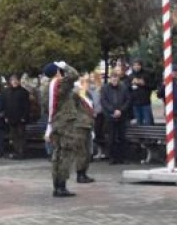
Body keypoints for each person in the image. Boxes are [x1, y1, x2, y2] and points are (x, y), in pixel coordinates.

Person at [47, 64, 94, 197]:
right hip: (66, 124)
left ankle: (57, 185)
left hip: (55, 123)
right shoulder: (59, 85)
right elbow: (73, 75)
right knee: (66, 155)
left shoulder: (48, 87)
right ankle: (61, 186)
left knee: (57, 155)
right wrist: (64, 65)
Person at [100, 68, 130, 164]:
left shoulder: (123, 87)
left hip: (122, 116)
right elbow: (104, 101)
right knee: (111, 138)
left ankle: (122, 158)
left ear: (118, 79)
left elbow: (128, 100)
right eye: (113, 79)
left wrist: (120, 110)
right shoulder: (105, 88)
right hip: (110, 116)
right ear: (110, 79)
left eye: (116, 79)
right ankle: (112, 158)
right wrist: (113, 111)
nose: (114, 81)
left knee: (122, 137)